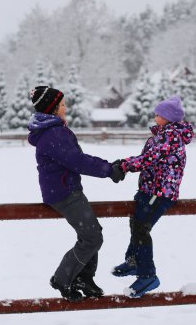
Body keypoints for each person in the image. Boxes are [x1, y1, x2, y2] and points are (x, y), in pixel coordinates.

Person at [28, 86, 124, 302]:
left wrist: (109, 168)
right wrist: (109, 170)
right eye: (62, 105)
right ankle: (62, 278)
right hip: (64, 193)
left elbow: (74, 159)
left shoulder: (52, 130)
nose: (66, 108)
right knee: (92, 238)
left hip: (64, 189)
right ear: (52, 109)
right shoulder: (53, 134)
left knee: (92, 233)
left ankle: (83, 278)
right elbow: (78, 161)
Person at [112, 96, 194, 297]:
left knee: (141, 228)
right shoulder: (164, 134)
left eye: (159, 114)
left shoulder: (171, 136)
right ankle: (133, 262)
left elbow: (150, 158)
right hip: (150, 190)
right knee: (136, 223)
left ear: (168, 118)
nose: (155, 116)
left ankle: (148, 275)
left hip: (160, 192)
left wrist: (124, 165)